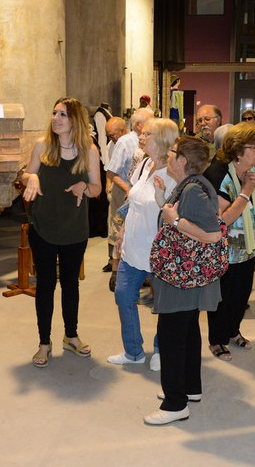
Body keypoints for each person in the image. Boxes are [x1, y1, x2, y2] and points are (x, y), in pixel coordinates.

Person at [144, 136, 224, 425]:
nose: (169, 154)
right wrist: (164, 201)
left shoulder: (193, 191)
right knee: (188, 331)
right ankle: (190, 389)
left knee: (172, 335)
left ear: (183, 162)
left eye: (174, 152)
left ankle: (175, 404)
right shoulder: (190, 186)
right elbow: (174, 214)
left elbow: (213, 233)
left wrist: (175, 220)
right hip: (187, 277)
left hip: (183, 277)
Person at [22, 97, 102, 368]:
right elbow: (25, 174)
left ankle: (71, 335)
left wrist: (83, 186)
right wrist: (31, 177)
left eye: (63, 115)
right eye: (54, 113)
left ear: (75, 120)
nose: (55, 118)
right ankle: (44, 342)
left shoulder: (89, 151)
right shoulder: (43, 146)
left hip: (74, 229)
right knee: (46, 285)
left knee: (70, 284)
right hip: (43, 226)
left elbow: (97, 189)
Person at [108, 119, 179, 368]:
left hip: (160, 251)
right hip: (133, 247)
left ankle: (161, 349)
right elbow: (133, 203)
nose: (140, 136)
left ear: (161, 140)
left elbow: (174, 213)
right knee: (123, 296)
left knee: (163, 305)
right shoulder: (144, 163)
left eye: (147, 133)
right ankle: (133, 352)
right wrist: (122, 235)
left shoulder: (173, 173)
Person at [203, 123, 255, 361]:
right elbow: (222, 219)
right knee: (222, 298)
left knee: (241, 296)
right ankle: (217, 340)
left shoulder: (252, 170)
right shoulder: (219, 174)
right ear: (237, 150)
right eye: (253, 147)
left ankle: (233, 331)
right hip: (225, 249)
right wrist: (245, 192)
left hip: (247, 247)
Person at [105, 108, 153, 288]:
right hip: (124, 191)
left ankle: (141, 273)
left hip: (139, 195)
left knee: (137, 232)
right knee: (120, 232)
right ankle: (116, 274)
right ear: (139, 124)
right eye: (149, 121)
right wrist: (128, 189)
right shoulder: (125, 142)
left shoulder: (149, 140)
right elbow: (112, 172)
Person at [103, 117, 130, 272]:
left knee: (123, 227)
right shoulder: (111, 145)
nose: (110, 138)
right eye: (108, 135)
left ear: (121, 130)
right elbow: (110, 169)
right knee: (114, 225)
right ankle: (112, 261)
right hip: (118, 188)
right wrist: (109, 185)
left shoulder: (127, 142)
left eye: (112, 135)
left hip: (126, 188)